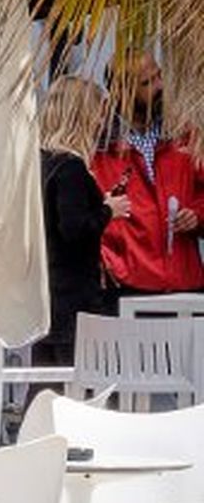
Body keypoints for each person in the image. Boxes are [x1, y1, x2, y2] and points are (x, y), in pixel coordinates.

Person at [89, 52, 204, 296]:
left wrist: (197, 215)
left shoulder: (185, 134)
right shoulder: (97, 145)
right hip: (126, 284)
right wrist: (104, 256)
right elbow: (78, 213)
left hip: (186, 282)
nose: (160, 85)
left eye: (159, 75)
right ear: (121, 91)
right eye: (147, 82)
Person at [36, 77, 127, 365]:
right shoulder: (71, 167)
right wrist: (107, 210)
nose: (102, 123)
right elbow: (74, 229)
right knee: (75, 380)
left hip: (46, 292)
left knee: (46, 384)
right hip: (71, 296)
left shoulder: (43, 163)